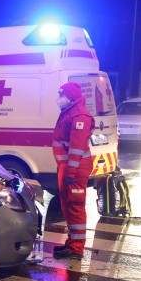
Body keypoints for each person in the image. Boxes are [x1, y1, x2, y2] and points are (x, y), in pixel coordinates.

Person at [52, 82, 95, 261]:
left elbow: (76, 149)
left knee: (75, 207)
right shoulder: (69, 112)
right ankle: (71, 244)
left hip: (75, 170)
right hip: (68, 167)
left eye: (62, 95)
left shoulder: (80, 116)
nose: (59, 98)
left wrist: (70, 174)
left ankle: (76, 249)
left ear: (70, 97)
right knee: (68, 207)